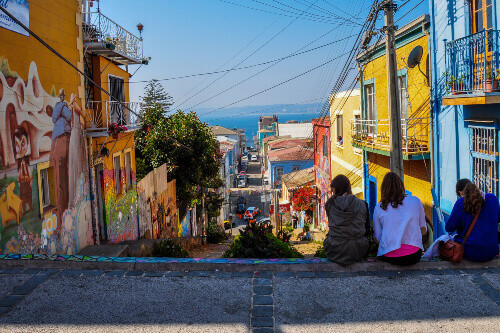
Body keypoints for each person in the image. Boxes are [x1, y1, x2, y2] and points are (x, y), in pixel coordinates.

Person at [373, 172, 427, 266]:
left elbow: (377, 238)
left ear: (383, 188)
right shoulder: (415, 201)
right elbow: (424, 230)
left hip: (390, 256)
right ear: (401, 185)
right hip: (413, 255)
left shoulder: (379, 207)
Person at [445, 182, 499, 262]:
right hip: (491, 252)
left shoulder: (460, 203)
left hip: (470, 252)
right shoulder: (492, 199)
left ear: (463, 193)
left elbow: (449, 227)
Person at [323, 174, 370, 266]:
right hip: (358, 250)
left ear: (335, 189)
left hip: (334, 249)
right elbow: (366, 230)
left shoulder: (329, 204)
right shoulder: (363, 204)